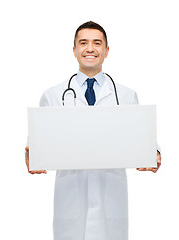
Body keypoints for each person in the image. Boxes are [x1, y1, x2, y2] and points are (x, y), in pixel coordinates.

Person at [25, 21, 161, 240]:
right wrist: (31, 155)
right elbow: (36, 142)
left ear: (106, 51)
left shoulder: (126, 95)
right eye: (83, 43)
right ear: (74, 50)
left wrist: (154, 153)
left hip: (111, 199)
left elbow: (142, 136)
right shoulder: (53, 95)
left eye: (97, 43)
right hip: (70, 199)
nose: (90, 48)